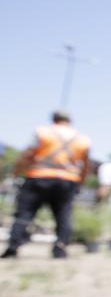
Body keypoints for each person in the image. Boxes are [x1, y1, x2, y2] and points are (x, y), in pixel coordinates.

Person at [2, 111, 91, 259]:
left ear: (54, 119)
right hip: (68, 180)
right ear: (70, 121)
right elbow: (85, 166)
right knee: (63, 215)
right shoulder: (83, 139)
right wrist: (80, 183)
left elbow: (28, 154)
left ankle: (13, 247)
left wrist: (17, 171)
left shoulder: (43, 132)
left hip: (39, 176)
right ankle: (60, 249)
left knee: (25, 213)